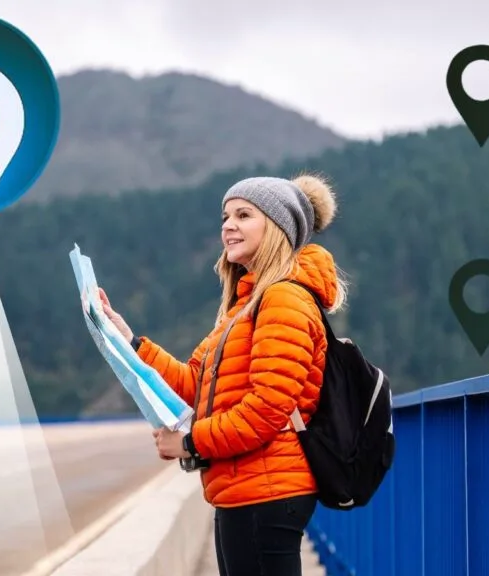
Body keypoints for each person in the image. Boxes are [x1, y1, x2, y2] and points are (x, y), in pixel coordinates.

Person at [96, 173, 348, 576]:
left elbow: (266, 409)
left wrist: (190, 443)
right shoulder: (245, 305)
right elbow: (196, 385)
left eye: (244, 215)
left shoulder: (283, 299)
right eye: (226, 216)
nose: (228, 225)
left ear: (278, 228)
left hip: (268, 490)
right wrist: (131, 341)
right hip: (243, 488)